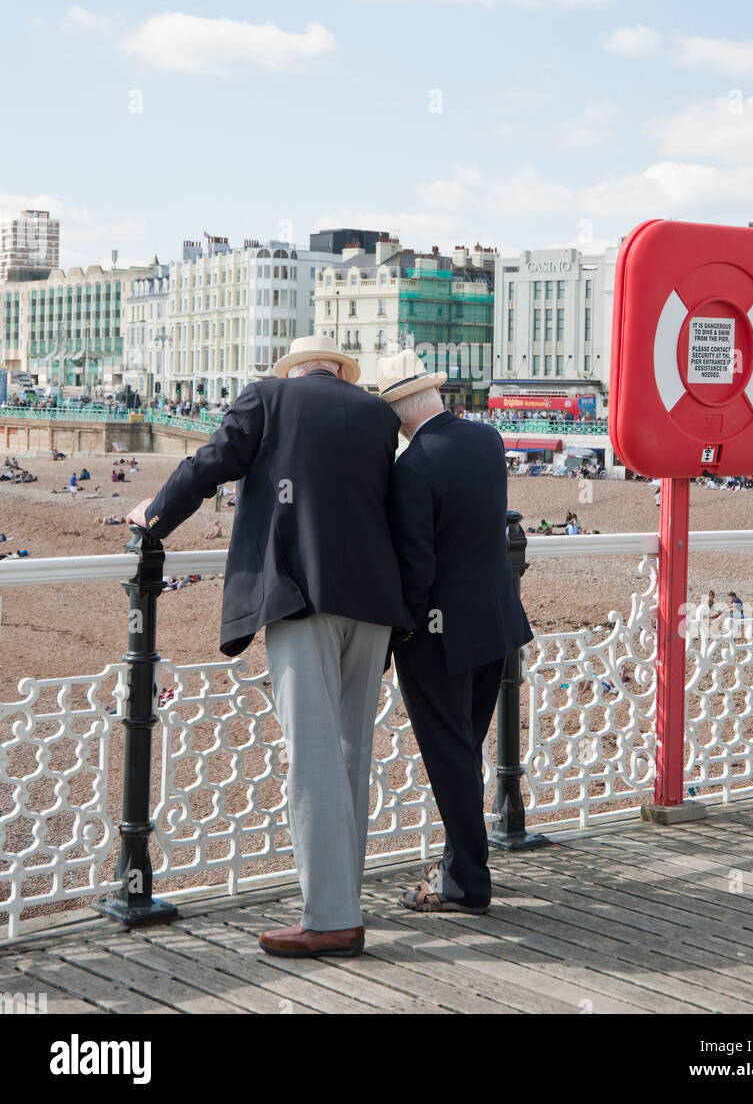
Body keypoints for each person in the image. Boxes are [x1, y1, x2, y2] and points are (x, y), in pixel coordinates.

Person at [126, 333, 410, 959]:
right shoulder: (376, 415)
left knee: (311, 757)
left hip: (301, 593)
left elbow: (210, 463)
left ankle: (331, 917)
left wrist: (154, 516)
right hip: (375, 601)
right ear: (339, 370)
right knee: (350, 753)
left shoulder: (268, 397)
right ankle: (344, 898)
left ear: (296, 368)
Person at [379, 349, 532, 915]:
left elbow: (416, 568)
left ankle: (466, 883)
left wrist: (403, 633)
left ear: (397, 412)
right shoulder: (487, 440)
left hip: (441, 636)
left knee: (449, 759)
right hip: (496, 621)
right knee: (466, 748)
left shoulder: (411, 469)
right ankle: (456, 867)